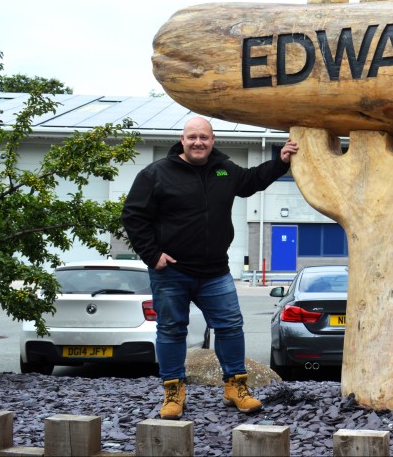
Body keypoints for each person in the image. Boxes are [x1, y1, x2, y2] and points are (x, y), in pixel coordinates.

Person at [122, 116, 298, 420]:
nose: (198, 142)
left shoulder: (223, 169)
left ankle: (235, 387)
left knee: (230, 327)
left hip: (215, 271)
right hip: (171, 271)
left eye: (204, 137)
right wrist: (152, 255)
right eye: (192, 137)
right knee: (171, 330)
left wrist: (280, 162)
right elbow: (133, 216)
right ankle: (173, 392)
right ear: (182, 140)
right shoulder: (156, 173)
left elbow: (252, 181)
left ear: (212, 140)